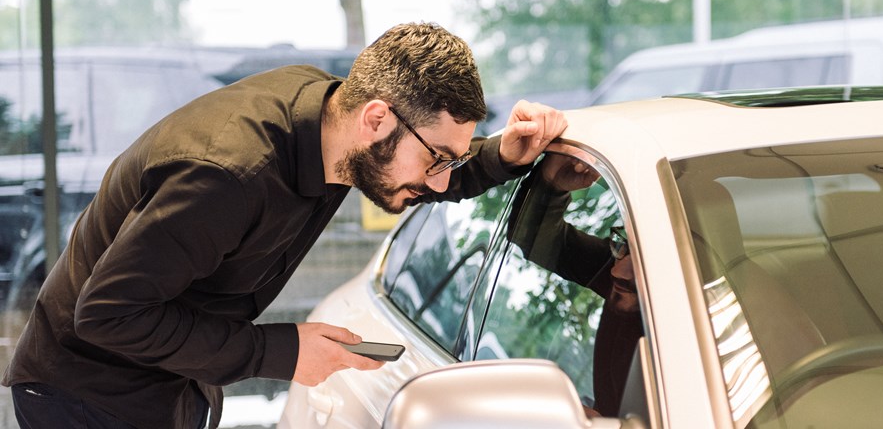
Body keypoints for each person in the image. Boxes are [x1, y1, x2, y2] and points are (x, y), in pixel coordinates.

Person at [2, 22, 567, 429]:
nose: (443, 181)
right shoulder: (226, 175)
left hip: (167, 383)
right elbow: (108, 316)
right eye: (439, 158)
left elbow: (411, 179)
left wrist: (504, 158)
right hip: (85, 398)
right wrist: (282, 351)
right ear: (377, 120)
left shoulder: (335, 125)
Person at [505, 147, 642, 417]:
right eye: (624, 246)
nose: (617, 271)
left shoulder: (724, 333)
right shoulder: (615, 263)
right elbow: (536, 238)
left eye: (644, 258)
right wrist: (551, 185)